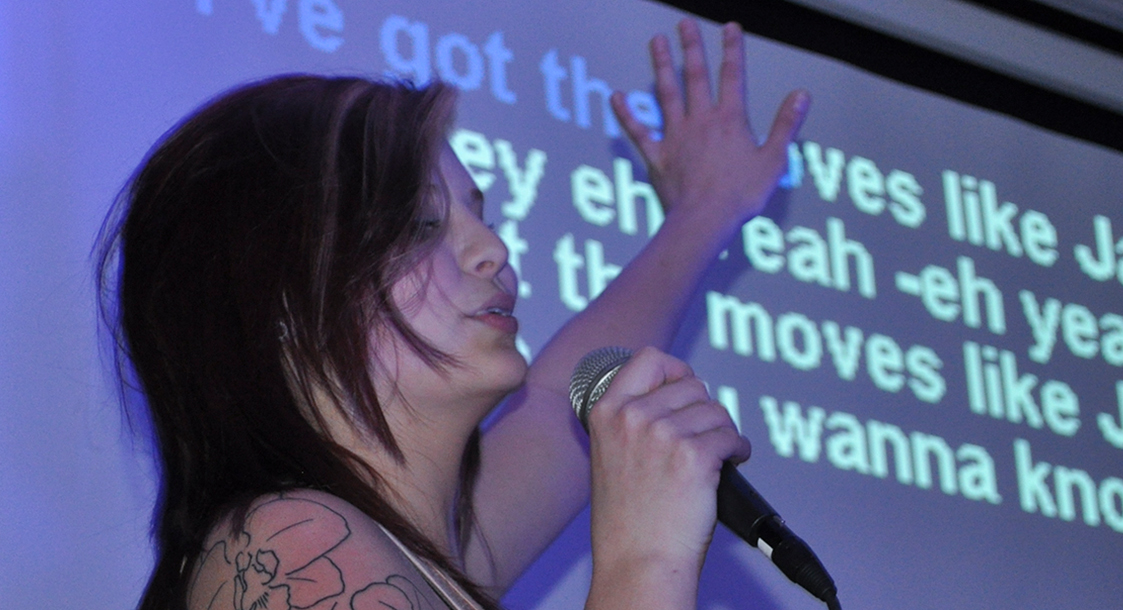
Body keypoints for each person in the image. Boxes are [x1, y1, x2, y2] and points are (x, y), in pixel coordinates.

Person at [98, 17, 808, 610]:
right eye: (418, 227)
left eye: (477, 213)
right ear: (278, 304)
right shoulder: (299, 543)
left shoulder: (418, 552)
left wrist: (706, 208)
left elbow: (558, 397)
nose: (492, 249)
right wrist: (645, 559)